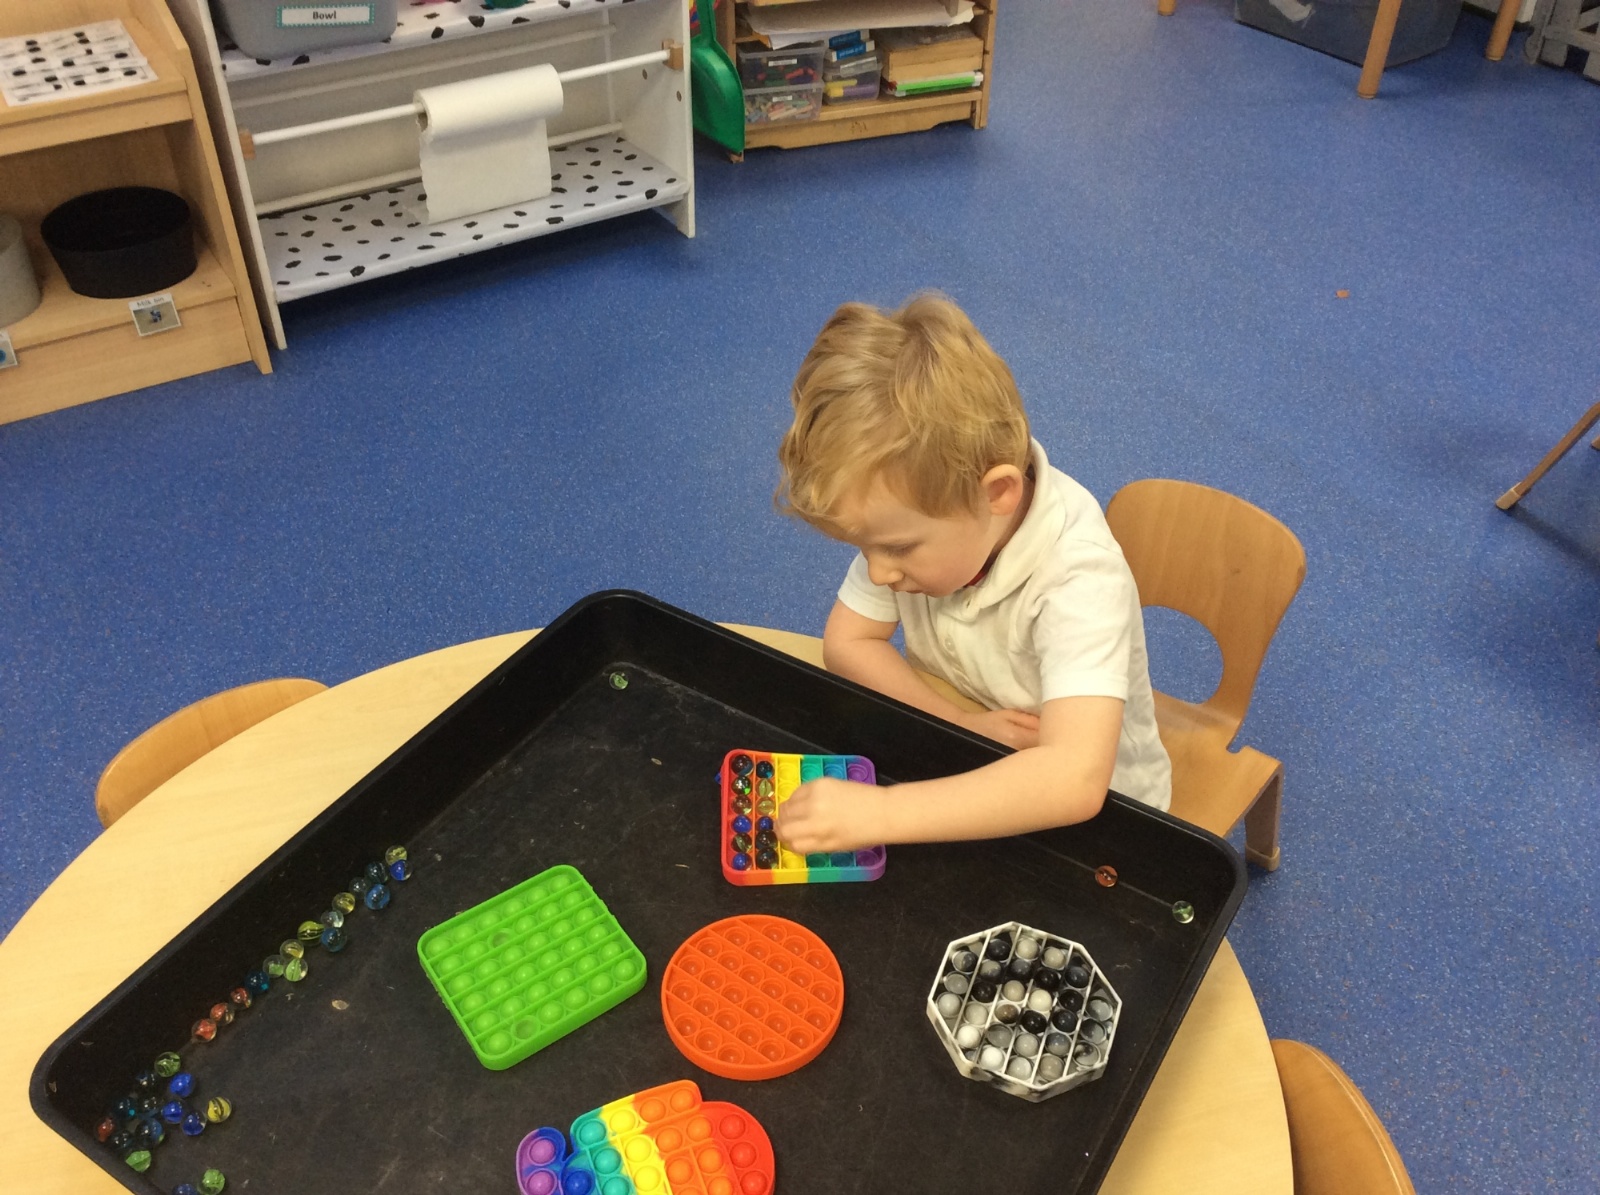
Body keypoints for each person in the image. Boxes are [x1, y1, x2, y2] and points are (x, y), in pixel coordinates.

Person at [772, 293, 1171, 854]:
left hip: (1105, 820)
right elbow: (848, 642)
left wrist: (883, 811)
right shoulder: (924, 514)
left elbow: (1074, 780)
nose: (878, 572)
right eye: (864, 548)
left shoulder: (1079, 579)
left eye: (896, 548)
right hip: (972, 745)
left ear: (997, 494)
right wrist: (961, 723)